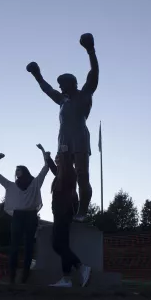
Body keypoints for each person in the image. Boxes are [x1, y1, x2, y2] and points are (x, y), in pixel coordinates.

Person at [26, 33, 99, 222]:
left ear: (71, 83)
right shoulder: (62, 100)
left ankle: (82, 211)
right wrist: (37, 74)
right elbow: (47, 88)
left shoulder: (84, 94)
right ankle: (65, 210)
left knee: (82, 175)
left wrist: (90, 50)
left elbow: (94, 74)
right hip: (63, 141)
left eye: (62, 83)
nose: (59, 86)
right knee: (63, 177)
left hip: (80, 138)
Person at [0, 148, 49, 285]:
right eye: (16, 170)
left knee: (29, 245)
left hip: (30, 216)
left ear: (24, 171)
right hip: (18, 216)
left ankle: (25, 274)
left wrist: (43, 151)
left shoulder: (35, 183)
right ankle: (12, 275)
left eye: (18, 170)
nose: (16, 172)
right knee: (14, 246)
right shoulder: (11, 185)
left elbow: (46, 168)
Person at [40, 147, 92, 288]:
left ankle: (81, 267)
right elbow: (53, 168)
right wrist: (46, 156)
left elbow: (63, 164)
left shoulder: (70, 172)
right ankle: (67, 278)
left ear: (65, 159)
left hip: (64, 213)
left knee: (58, 244)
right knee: (62, 246)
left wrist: (64, 149)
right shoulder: (61, 174)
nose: (57, 159)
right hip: (59, 213)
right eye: (56, 158)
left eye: (59, 157)